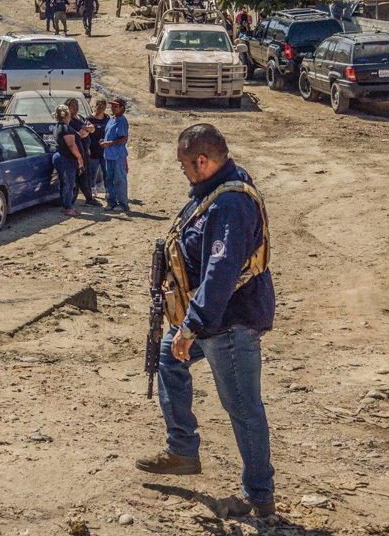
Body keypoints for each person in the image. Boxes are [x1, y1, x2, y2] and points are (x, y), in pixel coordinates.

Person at [135, 123, 276, 520]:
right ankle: (182, 449)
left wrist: (191, 325)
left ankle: (259, 496)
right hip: (212, 318)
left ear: (203, 160)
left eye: (184, 164)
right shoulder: (216, 189)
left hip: (229, 322)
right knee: (168, 357)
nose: (181, 171)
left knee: (243, 407)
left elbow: (221, 271)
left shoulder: (229, 204)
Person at [64, 97, 99, 207]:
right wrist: (87, 130)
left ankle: (89, 198)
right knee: (81, 175)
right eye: (72, 105)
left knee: (86, 174)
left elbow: (92, 128)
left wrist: (88, 130)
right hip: (77, 152)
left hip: (85, 150)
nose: (75, 107)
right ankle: (85, 198)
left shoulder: (80, 118)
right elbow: (80, 134)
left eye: (76, 104)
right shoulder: (69, 121)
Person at [51, 105, 83, 217]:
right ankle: (68, 207)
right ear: (67, 115)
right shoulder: (65, 128)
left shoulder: (58, 126)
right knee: (69, 184)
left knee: (64, 183)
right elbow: (71, 144)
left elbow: (78, 136)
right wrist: (79, 157)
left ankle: (65, 205)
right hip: (67, 159)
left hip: (60, 157)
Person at [99, 97, 130, 213]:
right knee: (109, 180)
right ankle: (111, 202)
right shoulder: (112, 119)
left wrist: (109, 143)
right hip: (109, 155)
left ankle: (123, 204)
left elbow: (123, 138)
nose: (113, 108)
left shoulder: (121, 121)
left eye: (116, 106)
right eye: (112, 106)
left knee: (120, 180)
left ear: (122, 108)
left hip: (117, 155)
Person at [85, 98, 109, 195]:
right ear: (95, 107)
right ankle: (92, 189)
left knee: (106, 173)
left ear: (105, 108)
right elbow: (86, 135)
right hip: (93, 151)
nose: (100, 109)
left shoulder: (107, 119)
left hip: (105, 151)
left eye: (102, 107)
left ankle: (108, 191)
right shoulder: (89, 119)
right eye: (98, 107)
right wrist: (87, 148)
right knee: (92, 173)